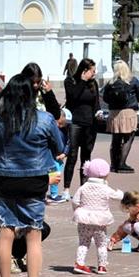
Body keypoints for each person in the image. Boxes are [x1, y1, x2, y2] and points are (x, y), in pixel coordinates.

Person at [0, 74, 65, 277]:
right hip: (34, 181)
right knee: (33, 234)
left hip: (4, 179)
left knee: (6, 231)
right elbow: (59, 146)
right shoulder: (44, 119)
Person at [70, 157, 119, 275]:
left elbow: (75, 201)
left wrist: (77, 210)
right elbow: (117, 196)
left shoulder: (83, 187)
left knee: (83, 243)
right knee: (101, 244)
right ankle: (102, 266)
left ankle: (79, 263)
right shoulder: (105, 188)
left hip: (84, 220)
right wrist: (122, 194)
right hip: (100, 221)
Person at [61, 58, 100, 188]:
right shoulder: (70, 81)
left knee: (86, 157)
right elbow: (73, 97)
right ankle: (66, 188)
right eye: (92, 71)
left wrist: (98, 113)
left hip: (89, 124)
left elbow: (96, 103)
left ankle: (84, 187)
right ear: (84, 71)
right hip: (75, 123)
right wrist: (82, 81)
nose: (94, 73)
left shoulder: (93, 84)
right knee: (72, 156)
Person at [102, 61, 139, 174]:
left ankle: (114, 164)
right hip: (128, 112)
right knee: (129, 138)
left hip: (114, 113)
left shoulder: (110, 83)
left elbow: (105, 98)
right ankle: (122, 163)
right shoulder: (132, 80)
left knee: (116, 138)